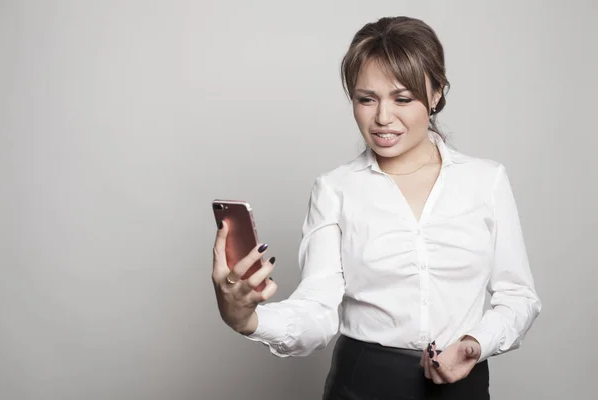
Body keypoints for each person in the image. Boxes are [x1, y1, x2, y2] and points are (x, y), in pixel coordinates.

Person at [211, 16, 541, 400]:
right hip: (362, 384)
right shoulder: (335, 189)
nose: (383, 118)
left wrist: (475, 343)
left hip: (462, 386)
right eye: (366, 99)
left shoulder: (486, 180)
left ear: (436, 94)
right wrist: (246, 318)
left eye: (402, 98)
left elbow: (519, 296)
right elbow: (317, 310)